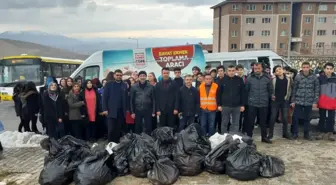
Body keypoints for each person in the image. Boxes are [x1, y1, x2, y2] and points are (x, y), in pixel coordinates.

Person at [291, 62, 320, 140]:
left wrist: (315, 101)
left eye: (307, 67)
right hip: (298, 100)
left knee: (307, 118)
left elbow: (317, 90)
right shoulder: (298, 77)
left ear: (310, 68)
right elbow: (294, 89)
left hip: (309, 100)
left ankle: (306, 134)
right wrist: (293, 100)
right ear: (302, 68)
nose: (305, 69)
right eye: (304, 67)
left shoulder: (314, 77)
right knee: (295, 118)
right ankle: (295, 133)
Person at [246, 62, 273, 144]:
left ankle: (264, 137)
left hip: (263, 104)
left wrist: (267, 98)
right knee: (250, 122)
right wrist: (249, 100)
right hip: (252, 103)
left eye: (258, 68)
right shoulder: (249, 78)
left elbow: (270, 90)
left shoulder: (267, 78)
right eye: (255, 68)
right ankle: (249, 137)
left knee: (263, 122)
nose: (256, 70)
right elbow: (246, 90)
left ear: (262, 69)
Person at [218, 65, 245, 134]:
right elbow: (219, 93)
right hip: (225, 106)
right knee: (224, 122)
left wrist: (242, 105)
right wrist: (219, 105)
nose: (231, 72)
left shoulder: (239, 80)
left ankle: (234, 137)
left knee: (236, 123)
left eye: (233, 71)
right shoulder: (222, 80)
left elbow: (243, 93)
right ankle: (224, 137)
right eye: (229, 71)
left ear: (235, 71)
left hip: (237, 106)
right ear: (227, 71)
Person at [102, 69, 128, 143]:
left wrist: (127, 109)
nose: (119, 76)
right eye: (117, 75)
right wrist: (105, 109)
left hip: (121, 111)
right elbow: (104, 97)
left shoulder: (124, 84)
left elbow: (126, 98)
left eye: (120, 75)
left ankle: (117, 145)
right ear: (114, 75)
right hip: (111, 110)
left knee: (119, 129)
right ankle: (110, 145)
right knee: (111, 129)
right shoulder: (109, 84)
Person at [268, 65, 293, 140]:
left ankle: (285, 133)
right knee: (273, 117)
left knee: (285, 118)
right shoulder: (273, 79)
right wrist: (272, 95)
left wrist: (289, 97)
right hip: (275, 101)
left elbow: (291, 88)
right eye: (277, 70)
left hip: (285, 100)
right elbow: (270, 89)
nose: (279, 71)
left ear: (283, 70)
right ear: (275, 72)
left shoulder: (288, 78)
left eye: (280, 69)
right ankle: (270, 134)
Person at [316, 62, 336, 141]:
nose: (329, 70)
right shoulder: (320, 78)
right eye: (327, 69)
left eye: (330, 69)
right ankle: (321, 132)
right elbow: (317, 89)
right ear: (324, 69)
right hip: (322, 100)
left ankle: (330, 132)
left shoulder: (335, 78)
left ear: (333, 69)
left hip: (332, 100)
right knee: (322, 117)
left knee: (331, 118)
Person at [236, 64, 248, 132]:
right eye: (238, 70)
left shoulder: (246, 78)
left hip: (246, 99)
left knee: (246, 116)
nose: (240, 71)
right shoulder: (235, 78)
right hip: (238, 100)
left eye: (241, 70)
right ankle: (238, 128)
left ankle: (244, 129)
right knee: (238, 116)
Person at [214, 65, 225, 133]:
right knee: (217, 118)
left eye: (221, 71)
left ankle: (223, 132)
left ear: (224, 71)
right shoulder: (215, 81)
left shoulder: (227, 79)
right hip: (217, 102)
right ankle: (217, 132)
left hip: (226, 103)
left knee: (225, 119)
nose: (220, 72)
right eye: (219, 71)